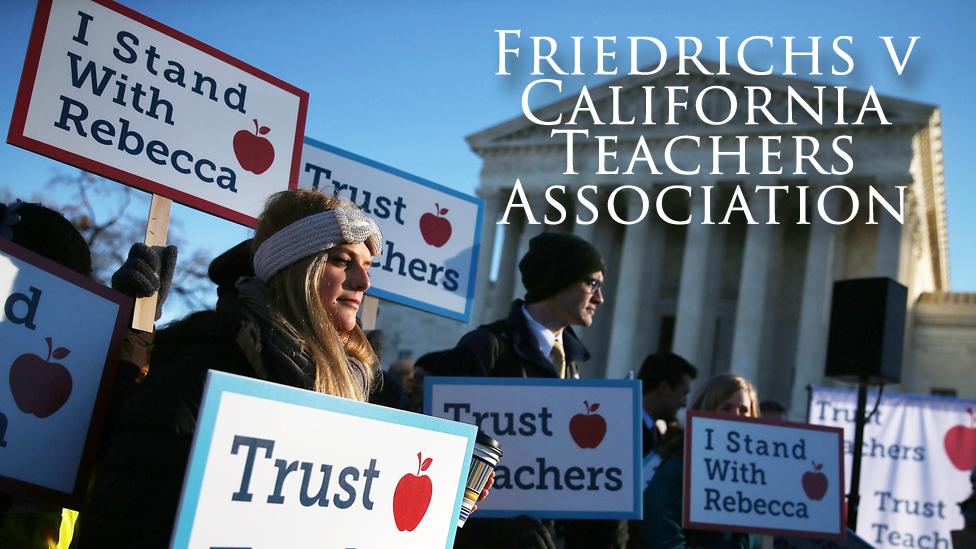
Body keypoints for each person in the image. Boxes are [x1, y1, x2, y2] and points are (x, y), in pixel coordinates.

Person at [74, 190, 392, 547]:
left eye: (366, 267)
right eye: (341, 261)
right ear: (296, 268)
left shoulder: (356, 380)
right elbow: (130, 513)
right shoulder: (206, 362)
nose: (363, 283)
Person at [419, 231, 623, 549]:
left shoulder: (574, 362)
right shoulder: (485, 348)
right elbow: (450, 463)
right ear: (560, 279)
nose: (599, 298)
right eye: (591, 284)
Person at [641, 373, 762, 549]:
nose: (736, 416)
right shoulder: (680, 467)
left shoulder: (756, 476)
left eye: (744, 410)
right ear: (707, 411)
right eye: (726, 408)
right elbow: (662, 533)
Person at [638, 352, 698, 457]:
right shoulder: (627, 431)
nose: (684, 404)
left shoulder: (656, 434)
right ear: (664, 387)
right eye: (683, 394)